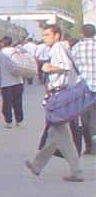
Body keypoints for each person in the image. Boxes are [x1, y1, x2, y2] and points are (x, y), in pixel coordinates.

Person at [25, 24, 84, 182]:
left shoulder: (58, 48)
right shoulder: (62, 48)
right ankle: (39, 165)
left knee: (59, 132)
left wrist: (48, 67)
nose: (44, 38)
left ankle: (75, 171)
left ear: (56, 35)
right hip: (62, 94)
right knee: (58, 134)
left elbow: (64, 67)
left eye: (47, 35)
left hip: (59, 95)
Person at [71, 24, 96, 155]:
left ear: (81, 33)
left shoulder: (76, 48)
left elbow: (74, 66)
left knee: (85, 119)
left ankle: (90, 146)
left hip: (84, 87)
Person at [0, 36, 25, 127]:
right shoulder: (17, 51)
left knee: (7, 103)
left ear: (3, 43)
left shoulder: (1, 53)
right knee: (18, 102)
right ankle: (19, 120)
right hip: (18, 80)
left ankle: (8, 121)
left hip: (6, 82)